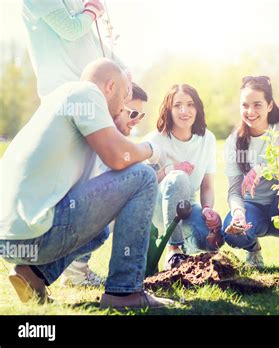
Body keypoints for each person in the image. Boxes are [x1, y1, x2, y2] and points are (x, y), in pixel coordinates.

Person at [0, 58, 174, 309]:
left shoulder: (63, 98)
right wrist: (150, 149)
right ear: (110, 86)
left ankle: (33, 274)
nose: (125, 106)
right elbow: (118, 158)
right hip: (34, 236)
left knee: (100, 229)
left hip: (12, 239)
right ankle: (124, 293)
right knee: (143, 176)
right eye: (125, 98)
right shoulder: (87, 93)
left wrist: (116, 129)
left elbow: (102, 194)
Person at [22, 0, 130, 283]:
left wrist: (123, 71)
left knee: (90, 184)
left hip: (89, 101)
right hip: (66, 100)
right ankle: (62, 267)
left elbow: (93, 46)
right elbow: (70, 29)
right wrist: (93, 9)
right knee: (80, 189)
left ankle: (62, 268)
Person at [59, 82, 149, 287]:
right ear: (117, 106)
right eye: (133, 113)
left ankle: (76, 270)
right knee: (122, 204)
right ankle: (76, 272)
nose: (136, 121)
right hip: (63, 216)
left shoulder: (107, 140)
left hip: (69, 214)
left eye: (141, 116)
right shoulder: (103, 143)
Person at [222, 76, 279, 269]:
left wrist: (264, 168)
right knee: (230, 232)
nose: (250, 112)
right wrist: (238, 213)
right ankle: (253, 249)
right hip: (254, 209)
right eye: (245, 105)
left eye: (257, 105)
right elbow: (235, 190)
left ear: (270, 105)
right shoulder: (234, 141)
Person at [144, 84, 223, 270]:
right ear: (168, 110)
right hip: (156, 208)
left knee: (212, 241)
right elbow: (138, 182)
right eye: (177, 105)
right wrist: (169, 170)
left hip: (187, 207)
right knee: (178, 177)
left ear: (197, 108)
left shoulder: (207, 139)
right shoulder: (155, 140)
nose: (184, 111)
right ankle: (174, 249)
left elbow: (207, 185)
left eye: (190, 104)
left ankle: (187, 249)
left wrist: (208, 209)